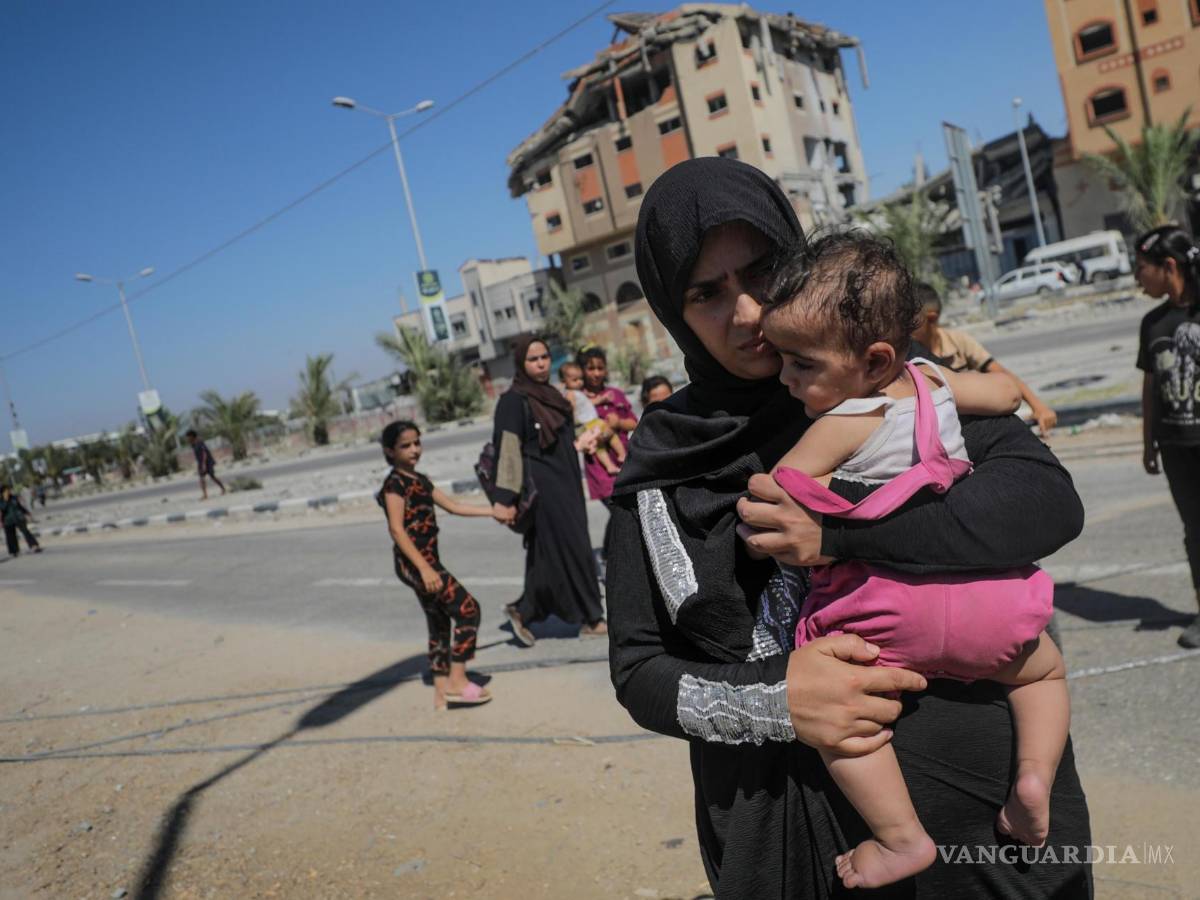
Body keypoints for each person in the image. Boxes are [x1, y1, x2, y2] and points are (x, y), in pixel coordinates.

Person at [608, 157, 1092, 898]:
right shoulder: (664, 463)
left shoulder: (889, 379)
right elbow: (640, 669)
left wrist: (842, 538)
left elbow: (1046, 504)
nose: (747, 313)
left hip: (991, 812)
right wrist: (777, 701)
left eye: (762, 270)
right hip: (788, 838)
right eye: (706, 293)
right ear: (674, 312)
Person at [760, 232, 1069, 888]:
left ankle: (900, 837)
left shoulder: (842, 421)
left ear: (874, 359)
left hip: (884, 619)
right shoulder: (932, 382)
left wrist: (832, 502)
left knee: (845, 728)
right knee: (1043, 675)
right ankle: (1034, 779)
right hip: (989, 603)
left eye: (801, 363)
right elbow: (1005, 393)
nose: (785, 378)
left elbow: (781, 493)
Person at [492, 337, 606, 645]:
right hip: (543, 486)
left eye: (544, 357)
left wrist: (584, 441)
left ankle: (524, 610)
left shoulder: (553, 394)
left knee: (550, 551)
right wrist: (505, 499)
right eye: (533, 359)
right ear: (521, 364)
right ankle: (593, 617)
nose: (541, 363)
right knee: (574, 546)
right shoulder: (513, 400)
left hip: (567, 481)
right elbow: (508, 450)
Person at [378, 420, 500, 708]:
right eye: (405, 445)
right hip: (415, 563)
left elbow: (454, 506)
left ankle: (441, 694)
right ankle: (458, 680)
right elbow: (396, 530)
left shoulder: (420, 480)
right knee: (468, 609)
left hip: (428, 560)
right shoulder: (394, 484)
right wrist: (424, 569)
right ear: (390, 451)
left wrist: (493, 512)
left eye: (417, 443)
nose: (414, 450)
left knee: (439, 622)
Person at [1134, 225, 1200, 649]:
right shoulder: (1153, 323)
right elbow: (1150, 386)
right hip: (1177, 446)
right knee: (1195, 530)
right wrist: (1148, 442)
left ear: (1169, 266)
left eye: (1142, 268)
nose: (1137, 278)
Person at [911, 282, 1059, 435]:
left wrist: (1039, 407)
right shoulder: (908, 354)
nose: (904, 328)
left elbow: (1001, 374)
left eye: (911, 322)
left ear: (931, 318)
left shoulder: (958, 341)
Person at [577, 346, 637, 505]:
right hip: (599, 470)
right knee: (617, 510)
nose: (596, 373)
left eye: (600, 368)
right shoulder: (578, 398)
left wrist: (619, 423)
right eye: (591, 368)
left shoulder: (616, 394)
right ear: (582, 370)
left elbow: (634, 423)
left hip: (625, 463)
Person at [559, 361, 625, 475]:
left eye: (580, 379)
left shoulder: (577, 392)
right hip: (590, 422)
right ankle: (622, 454)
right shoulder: (570, 394)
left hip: (589, 423)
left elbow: (589, 403)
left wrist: (601, 399)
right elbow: (571, 408)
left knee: (599, 446)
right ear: (564, 381)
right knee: (611, 434)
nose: (579, 382)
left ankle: (609, 466)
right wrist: (574, 424)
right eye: (575, 380)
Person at [1, 485, 41, 557]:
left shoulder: (13, 497)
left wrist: (27, 513)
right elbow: (2, 509)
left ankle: (34, 546)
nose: (8, 492)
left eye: (8, 490)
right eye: (6, 491)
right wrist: (6, 501)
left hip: (19, 517)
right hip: (8, 520)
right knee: (10, 536)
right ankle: (14, 551)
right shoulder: (1, 500)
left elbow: (19, 506)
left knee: (26, 532)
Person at [185, 430, 226, 500]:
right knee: (201, 478)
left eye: (188, 437)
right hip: (200, 463)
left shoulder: (200, 442)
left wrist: (204, 464)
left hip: (207, 462)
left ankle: (223, 489)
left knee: (212, 477)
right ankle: (205, 495)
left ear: (192, 436)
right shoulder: (192, 444)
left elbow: (204, 453)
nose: (187, 439)